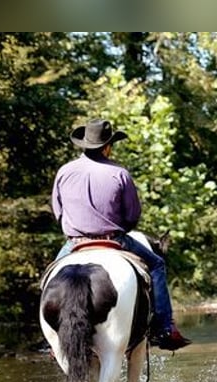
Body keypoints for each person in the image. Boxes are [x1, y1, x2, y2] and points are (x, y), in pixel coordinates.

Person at [51, 118, 191, 351]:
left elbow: (58, 211)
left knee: (49, 280)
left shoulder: (64, 171)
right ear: (107, 147)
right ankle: (164, 328)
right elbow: (132, 215)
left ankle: (55, 335)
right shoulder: (119, 173)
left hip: (75, 242)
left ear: (84, 145)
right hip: (112, 239)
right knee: (156, 265)